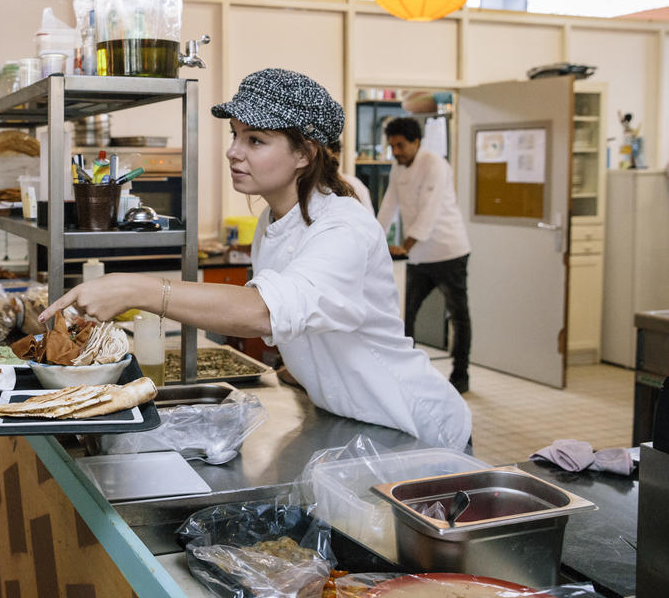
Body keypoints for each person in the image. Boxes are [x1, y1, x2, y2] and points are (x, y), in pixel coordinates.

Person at [42, 69, 471, 450]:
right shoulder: (272, 218)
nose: (233, 151)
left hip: (415, 428)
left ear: (304, 153)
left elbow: (263, 312)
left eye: (256, 140)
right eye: (235, 134)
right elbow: (306, 312)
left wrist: (137, 288)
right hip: (350, 419)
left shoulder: (344, 228)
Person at [376, 116, 473, 394]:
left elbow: (428, 214)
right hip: (418, 257)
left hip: (448, 251)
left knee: (459, 315)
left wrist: (404, 246)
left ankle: (461, 374)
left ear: (417, 142)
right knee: (404, 315)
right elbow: (388, 207)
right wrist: (372, 239)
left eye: (401, 145)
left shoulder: (435, 165)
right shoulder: (398, 169)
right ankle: (408, 375)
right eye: (392, 146)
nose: (396, 151)